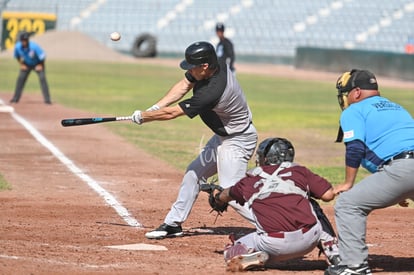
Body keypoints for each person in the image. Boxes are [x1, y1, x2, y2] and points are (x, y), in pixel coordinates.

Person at [131, 41, 257, 239]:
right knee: (193, 174)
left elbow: (173, 113)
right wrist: (154, 108)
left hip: (238, 140)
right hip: (224, 137)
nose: (189, 70)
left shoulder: (212, 91)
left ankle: (274, 224)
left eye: (192, 67)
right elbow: (184, 85)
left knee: (230, 193)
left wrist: (145, 117)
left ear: (205, 66)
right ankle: (173, 223)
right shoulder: (213, 66)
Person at [325, 69, 414, 275]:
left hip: (402, 169)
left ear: (356, 92)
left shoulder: (353, 111)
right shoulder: (397, 107)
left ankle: (354, 266)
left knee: (348, 205)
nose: (345, 99)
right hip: (404, 170)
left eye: (345, 94)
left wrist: (348, 183)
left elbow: (355, 147)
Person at [209, 137, 340, 272]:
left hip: (272, 245)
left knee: (232, 250)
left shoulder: (250, 180)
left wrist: (218, 198)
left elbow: (226, 195)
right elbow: (328, 195)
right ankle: (333, 251)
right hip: (309, 239)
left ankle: (248, 253)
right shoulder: (299, 171)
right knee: (312, 205)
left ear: (267, 158)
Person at [10, 32, 51, 104]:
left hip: (38, 63)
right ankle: (15, 98)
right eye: (22, 40)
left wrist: (41, 65)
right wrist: (21, 64)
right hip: (26, 64)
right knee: (20, 79)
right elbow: (17, 56)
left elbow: (43, 56)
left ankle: (47, 100)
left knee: (42, 78)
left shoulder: (34, 46)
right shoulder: (18, 47)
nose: (24, 42)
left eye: (25, 40)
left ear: (28, 40)